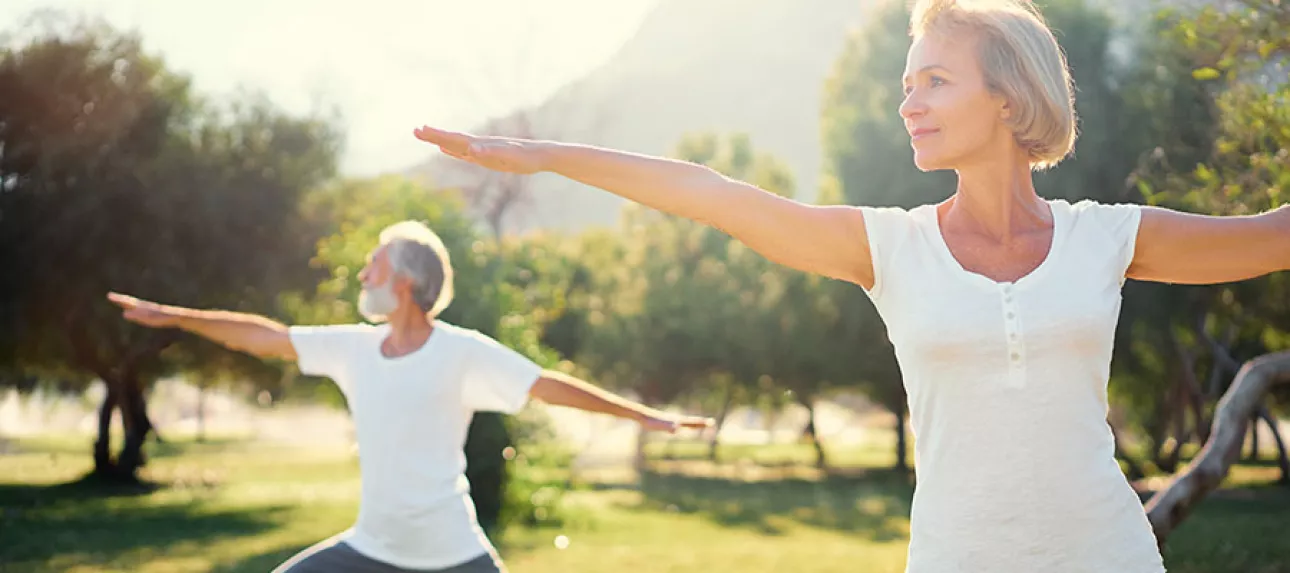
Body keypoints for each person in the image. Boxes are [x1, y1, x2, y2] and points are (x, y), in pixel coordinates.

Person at [410, 0, 1290, 570]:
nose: (908, 102)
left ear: (1011, 97)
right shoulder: (888, 248)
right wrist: (537, 155)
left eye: (935, 81)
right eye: (906, 85)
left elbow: (1271, 237)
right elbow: (710, 193)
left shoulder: (1106, 238)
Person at [107, 220, 713, 573]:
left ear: (404, 284)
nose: (362, 275)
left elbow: (546, 386)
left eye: (373, 266)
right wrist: (174, 317)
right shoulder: (353, 348)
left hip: (451, 554)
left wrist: (646, 417)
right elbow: (265, 338)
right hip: (370, 548)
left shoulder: (462, 352)